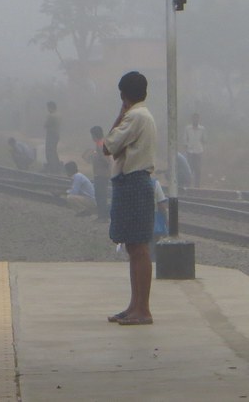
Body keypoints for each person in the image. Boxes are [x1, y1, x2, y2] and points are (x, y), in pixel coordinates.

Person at [103, 71, 157, 326]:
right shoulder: (144, 115)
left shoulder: (134, 116)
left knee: (139, 248)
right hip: (135, 182)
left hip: (133, 182)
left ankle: (143, 309)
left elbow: (108, 146)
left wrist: (120, 114)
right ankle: (135, 306)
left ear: (123, 95)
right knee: (134, 247)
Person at [85, 126, 112, 221]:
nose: (91, 137)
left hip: (101, 174)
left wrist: (97, 159)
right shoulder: (101, 144)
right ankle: (102, 215)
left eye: (92, 135)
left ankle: (103, 216)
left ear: (95, 135)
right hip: (101, 174)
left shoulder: (100, 145)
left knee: (101, 195)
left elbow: (106, 160)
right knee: (100, 195)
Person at [183, 113, 207, 187]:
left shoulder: (202, 129)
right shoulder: (187, 128)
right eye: (194, 118)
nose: (195, 120)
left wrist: (201, 145)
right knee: (189, 169)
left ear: (198, 120)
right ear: (192, 119)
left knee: (198, 169)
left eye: (197, 119)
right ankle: (188, 185)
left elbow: (204, 140)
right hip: (190, 151)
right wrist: (186, 147)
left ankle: (197, 186)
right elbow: (185, 139)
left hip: (198, 151)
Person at [44, 101, 61, 172]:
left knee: (49, 152)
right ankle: (57, 167)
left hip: (51, 135)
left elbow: (46, 125)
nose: (47, 109)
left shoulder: (51, 116)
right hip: (56, 135)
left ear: (51, 107)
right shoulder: (58, 115)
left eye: (48, 107)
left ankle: (52, 167)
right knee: (54, 151)